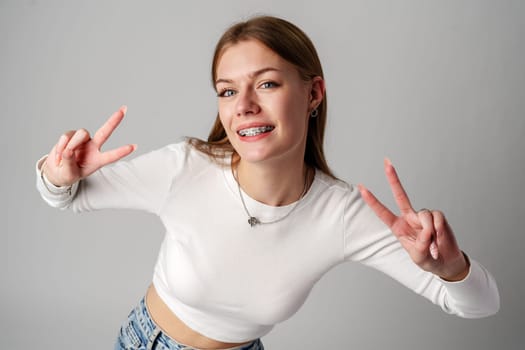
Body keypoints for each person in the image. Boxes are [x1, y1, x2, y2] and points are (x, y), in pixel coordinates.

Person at [36, 15, 499, 350]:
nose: (244, 106)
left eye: (268, 84)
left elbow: (478, 306)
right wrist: (57, 174)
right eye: (228, 90)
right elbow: (66, 198)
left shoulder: (341, 214)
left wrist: (451, 268)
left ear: (313, 92)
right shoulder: (186, 167)